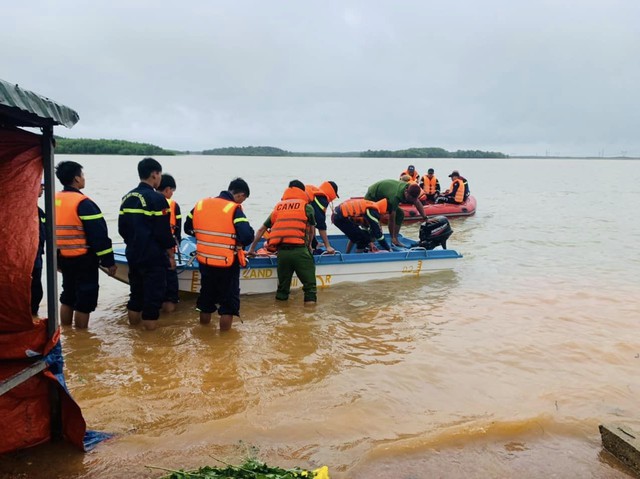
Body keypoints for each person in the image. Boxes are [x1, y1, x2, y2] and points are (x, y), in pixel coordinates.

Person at [184, 178, 254, 331]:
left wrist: (206, 239)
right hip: (226, 263)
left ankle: (204, 334)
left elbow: (187, 228)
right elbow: (247, 236)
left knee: (206, 300)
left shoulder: (201, 205)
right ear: (240, 195)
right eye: (243, 199)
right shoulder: (234, 209)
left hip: (205, 261)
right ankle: (224, 342)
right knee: (228, 305)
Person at [54, 161, 116, 328]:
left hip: (63, 257)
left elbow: (48, 233)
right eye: (82, 175)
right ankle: (81, 337)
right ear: (76, 178)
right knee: (84, 300)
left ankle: (66, 334)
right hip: (83, 259)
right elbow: (99, 235)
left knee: (67, 296)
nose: (83, 178)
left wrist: (55, 260)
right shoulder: (83, 203)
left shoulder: (53, 199)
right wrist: (108, 261)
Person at [118, 157, 176, 331]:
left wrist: (133, 243)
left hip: (133, 253)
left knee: (135, 295)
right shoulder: (157, 199)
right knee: (153, 299)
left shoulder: (127, 197)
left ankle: (133, 333)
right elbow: (163, 232)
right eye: (159, 174)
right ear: (154, 174)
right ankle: (149, 342)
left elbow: (122, 229)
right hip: (153, 256)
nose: (160, 178)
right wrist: (171, 254)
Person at [248, 180, 317, 305]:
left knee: (282, 290)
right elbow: (312, 231)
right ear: (302, 192)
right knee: (310, 289)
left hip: (282, 254)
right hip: (300, 251)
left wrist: (251, 250)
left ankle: (281, 316)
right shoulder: (307, 207)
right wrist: (310, 246)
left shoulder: (278, 207)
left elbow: (261, 230)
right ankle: (309, 319)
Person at [364, 179, 426, 247]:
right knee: (374, 220)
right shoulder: (395, 197)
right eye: (410, 198)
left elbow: (417, 202)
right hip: (372, 196)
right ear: (406, 192)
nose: (411, 201)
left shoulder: (410, 188)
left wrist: (425, 218)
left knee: (400, 214)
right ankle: (372, 242)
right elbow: (391, 220)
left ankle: (395, 239)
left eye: (413, 199)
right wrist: (392, 237)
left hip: (385, 196)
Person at [158, 174, 182, 312]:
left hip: (145, 251)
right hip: (167, 252)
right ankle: (169, 324)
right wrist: (173, 255)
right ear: (167, 189)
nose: (172, 194)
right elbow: (177, 232)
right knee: (170, 293)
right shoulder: (173, 205)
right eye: (172, 190)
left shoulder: (143, 200)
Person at [305, 181, 339, 254]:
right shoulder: (322, 198)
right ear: (333, 193)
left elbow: (313, 220)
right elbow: (320, 223)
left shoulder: (315, 195)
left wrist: (315, 242)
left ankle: (314, 243)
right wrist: (328, 246)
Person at [31, 181, 46, 317]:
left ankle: (33, 318)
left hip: (37, 259)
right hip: (27, 260)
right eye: (41, 185)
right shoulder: (23, 211)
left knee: (36, 291)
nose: (43, 188)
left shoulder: (40, 212)